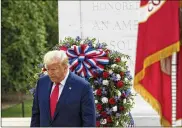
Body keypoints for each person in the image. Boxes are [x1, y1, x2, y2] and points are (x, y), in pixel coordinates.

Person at [30, 50, 96, 127]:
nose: (50, 73)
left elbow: (89, 122)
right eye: (48, 69)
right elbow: (36, 115)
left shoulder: (83, 87)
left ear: (65, 67)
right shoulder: (42, 83)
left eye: (53, 69)